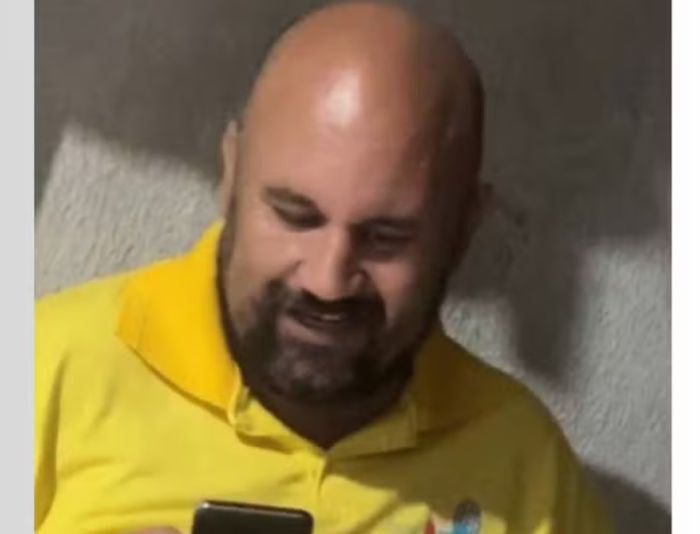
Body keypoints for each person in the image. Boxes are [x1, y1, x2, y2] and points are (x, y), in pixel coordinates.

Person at [34, 2, 613, 533]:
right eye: (295, 216)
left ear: (463, 230)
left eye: (386, 238)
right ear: (231, 177)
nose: (328, 281)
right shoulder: (42, 366)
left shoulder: (524, 460)